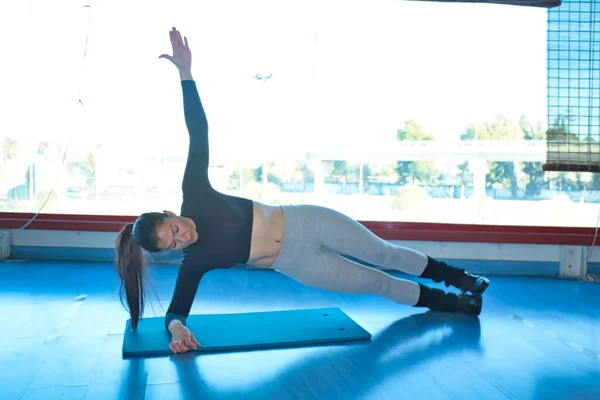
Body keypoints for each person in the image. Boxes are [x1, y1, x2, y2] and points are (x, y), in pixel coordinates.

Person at [115, 27, 490, 355]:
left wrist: (186, 74)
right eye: (172, 245)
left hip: (306, 222)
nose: (181, 239)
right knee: (377, 283)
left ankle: (462, 279)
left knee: (383, 252)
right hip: (297, 264)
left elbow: (199, 132)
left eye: (174, 230)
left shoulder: (194, 192)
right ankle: (456, 304)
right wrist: (177, 329)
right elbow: (176, 312)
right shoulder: (194, 262)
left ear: (170, 213)